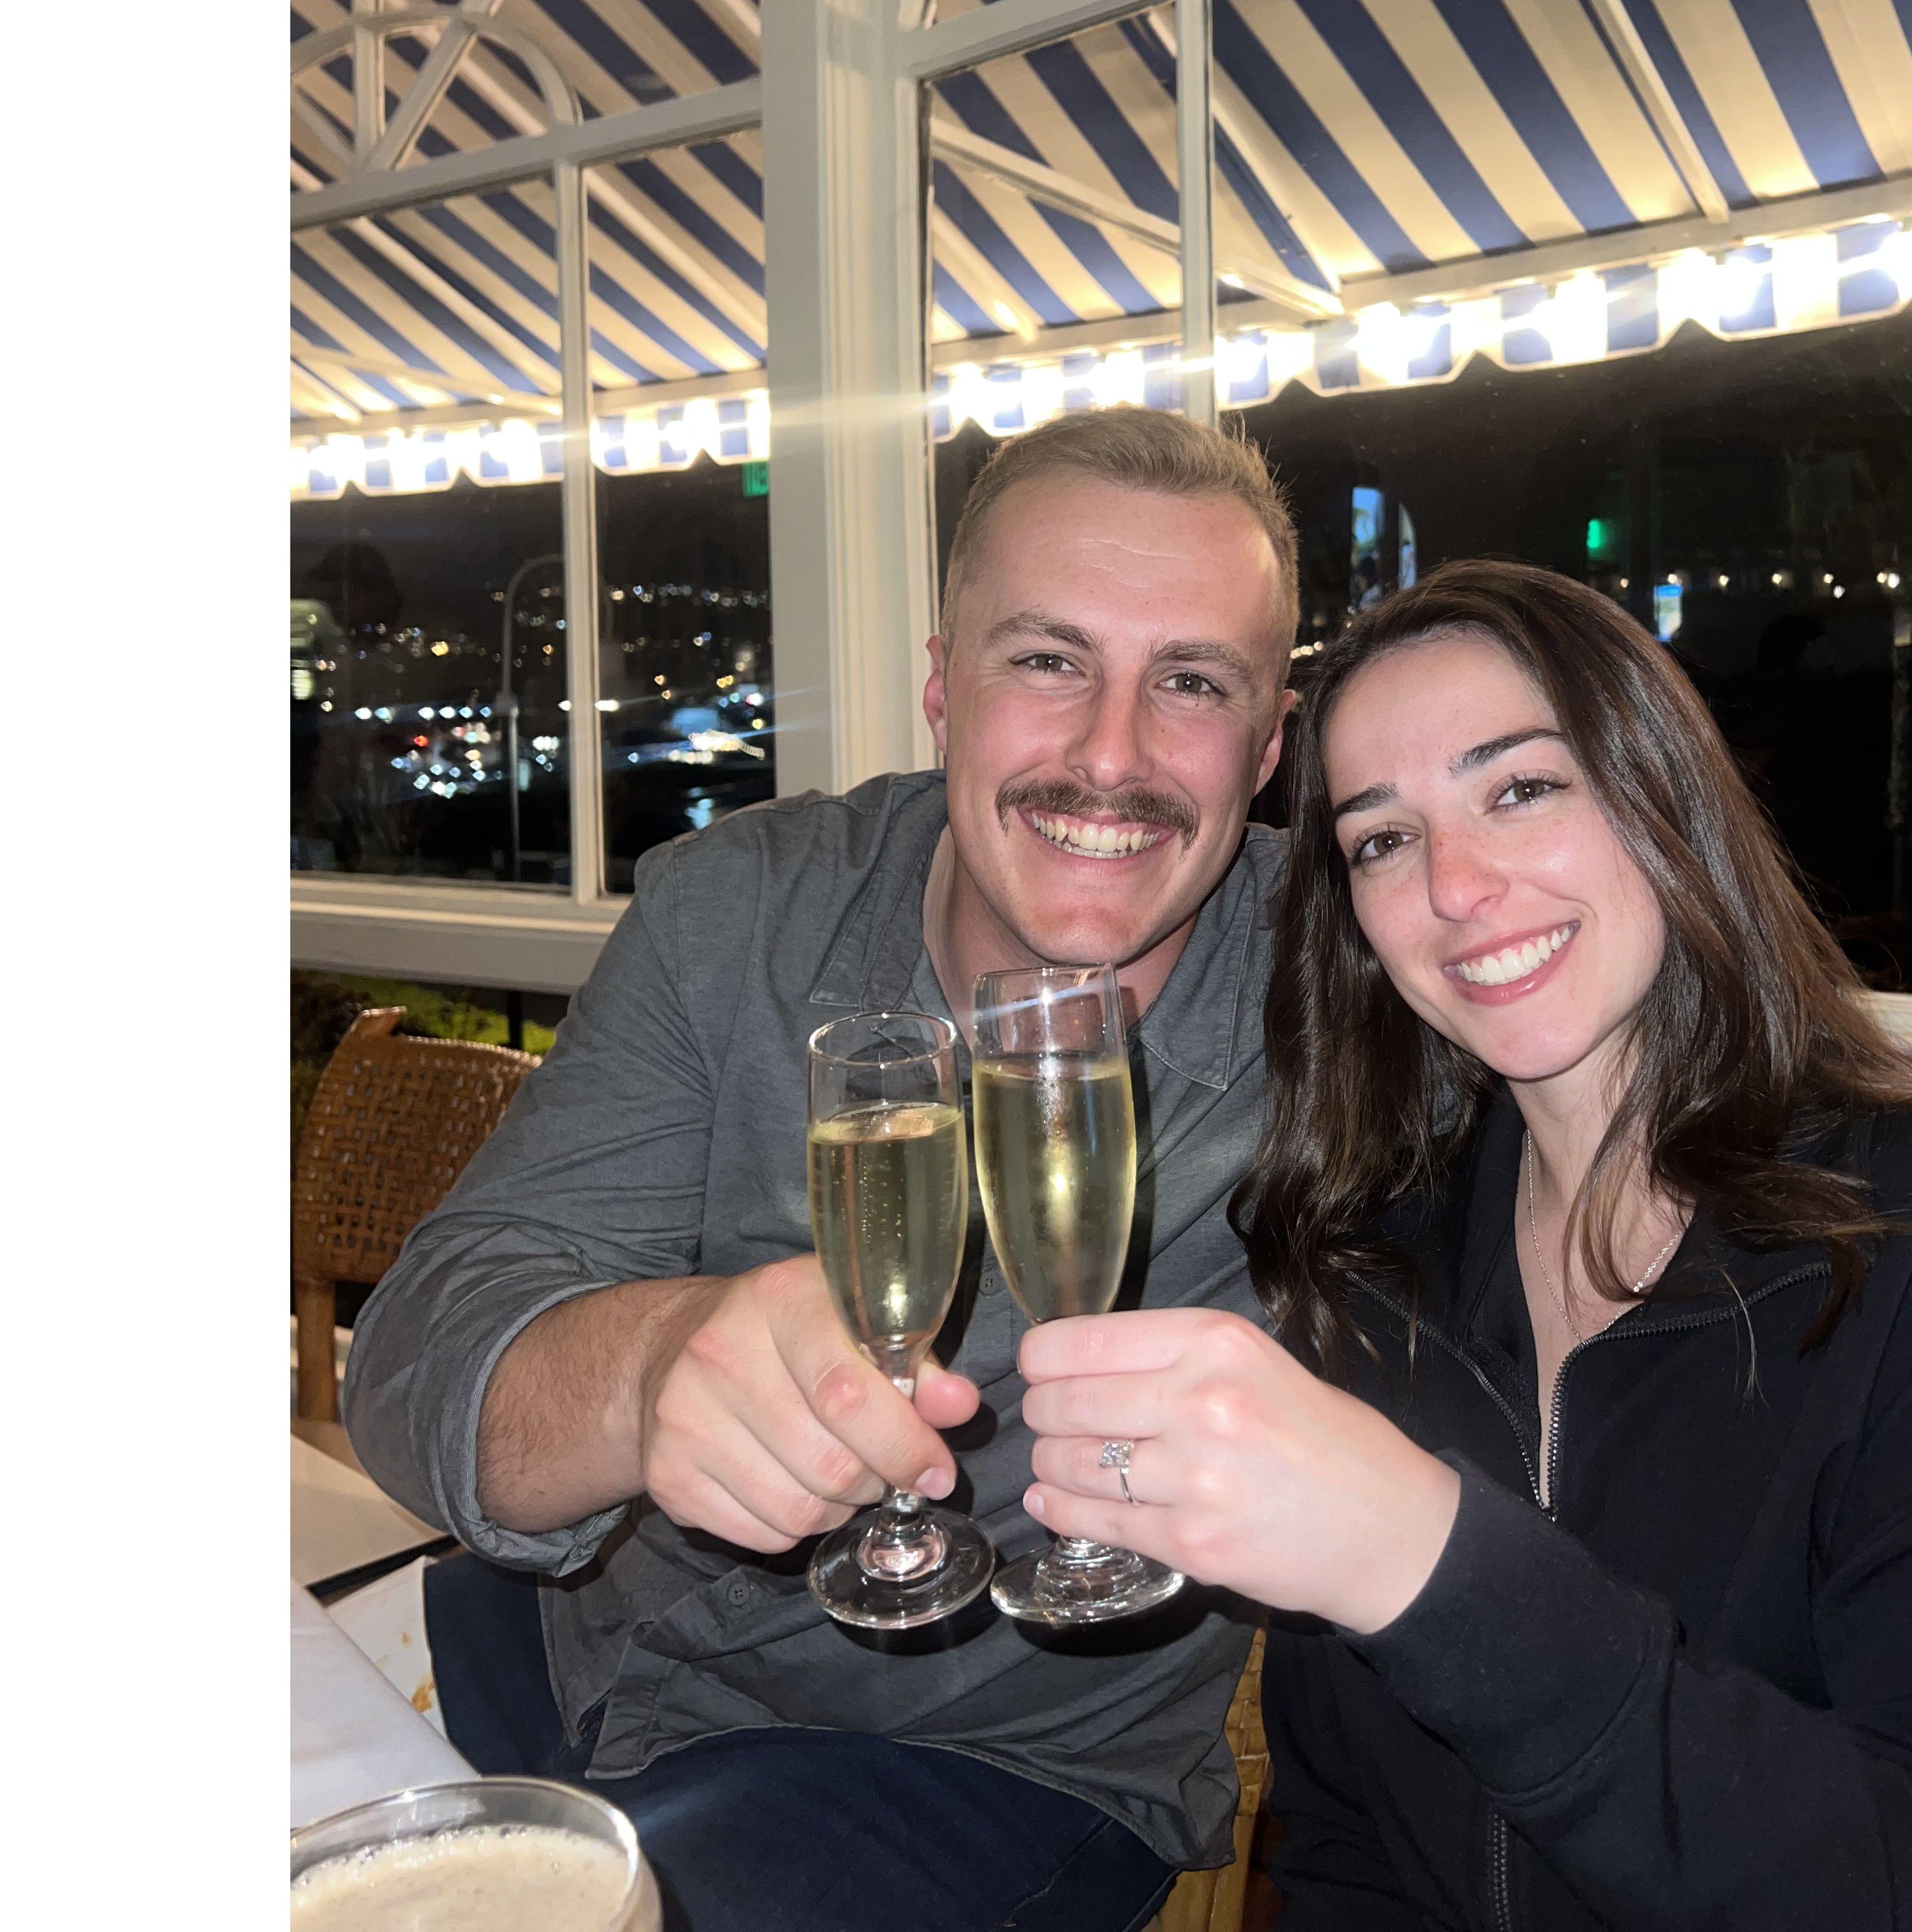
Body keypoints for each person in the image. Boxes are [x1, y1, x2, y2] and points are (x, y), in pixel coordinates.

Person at [342, 407, 1298, 1932]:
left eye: (1191, 682)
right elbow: (419, 1351)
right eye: (1047, 661)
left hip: (975, 1763)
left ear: (1269, 744)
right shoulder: (740, 913)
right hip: (570, 1648)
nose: (1111, 755)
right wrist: (650, 1369)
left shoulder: (1356, 993)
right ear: (943, 688)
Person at [1014, 559, 1912, 1929]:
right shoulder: (1375, 1280)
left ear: (1664, 794)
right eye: (1383, 839)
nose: (1456, 885)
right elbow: (1342, 1848)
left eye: (1520, 789)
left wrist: (1432, 1564)